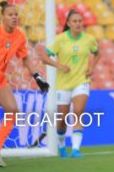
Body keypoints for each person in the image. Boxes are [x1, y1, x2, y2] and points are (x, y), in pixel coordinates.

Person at [0, 1, 49, 167]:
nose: (14, 17)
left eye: (16, 14)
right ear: (3, 17)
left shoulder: (19, 36)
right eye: (10, 15)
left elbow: (25, 57)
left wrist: (37, 77)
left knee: (12, 110)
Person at [39, 10, 100, 158]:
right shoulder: (60, 40)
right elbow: (44, 56)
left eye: (80, 21)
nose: (78, 23)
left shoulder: (89, 39)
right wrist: (59, 66)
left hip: (81, 81)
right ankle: (61, 146)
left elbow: (97, 53)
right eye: (75, 21)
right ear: (68, 23)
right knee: (63, 119)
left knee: (78, 112)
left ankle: (76, 149)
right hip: (63, 84)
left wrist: (91, 68)